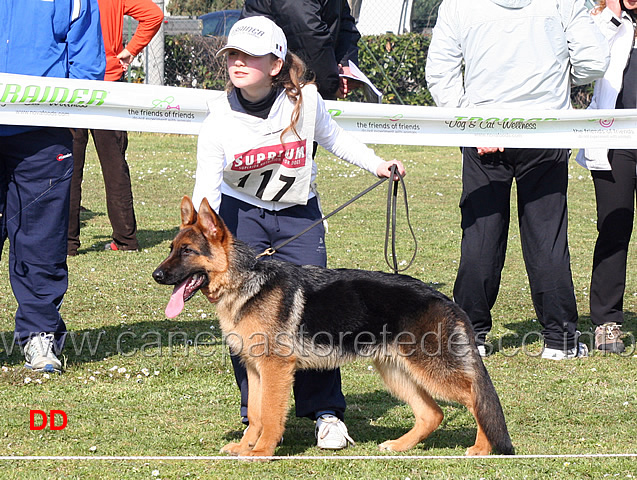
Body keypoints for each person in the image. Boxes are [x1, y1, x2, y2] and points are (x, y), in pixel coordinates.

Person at [192, 16, 405, 449]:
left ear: (275, 64)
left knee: (318, 315)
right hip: (243, 217)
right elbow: (206, 187)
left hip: (297, 215)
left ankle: (325, 413)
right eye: (232, 55)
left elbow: (335, 138)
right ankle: (255, 419)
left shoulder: (305, 100)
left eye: (248, 55)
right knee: (246, 321)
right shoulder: (219, 117)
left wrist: (379, 165)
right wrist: (200, 233)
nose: (237, 62)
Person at [425, 0, 609, 360]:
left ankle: (467, 337)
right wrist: (558, 80)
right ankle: (559, 341)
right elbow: (593, 61)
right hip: (544, 129)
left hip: (484, 130)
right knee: (547, 237)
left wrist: (467, 119)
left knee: (480, 236)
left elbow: (440, 71)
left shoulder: (458, 5)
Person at [0, 0, 106, 372]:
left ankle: (39, 336)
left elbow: (88, 65)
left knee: (41, 241)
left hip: (43, 135)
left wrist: (63, 112)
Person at [67, 0, 164, 255]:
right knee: (115, 166)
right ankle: (126, 239)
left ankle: (67, 243)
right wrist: (131, 50)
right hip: (109, 82)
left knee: (68, 165)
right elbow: (154, 14)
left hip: (72, 83)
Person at [575, 0, 635, 354]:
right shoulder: (601, 21)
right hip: (616, 140)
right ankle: (606, 321)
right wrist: (613, 14)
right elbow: (586, 63)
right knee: (615, 227)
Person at [241, 0, 361, 100]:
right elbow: (308, 35)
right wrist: (332, 84)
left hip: (310, 83)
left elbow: (344, 21)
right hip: (273, 86)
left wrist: (346, 65)